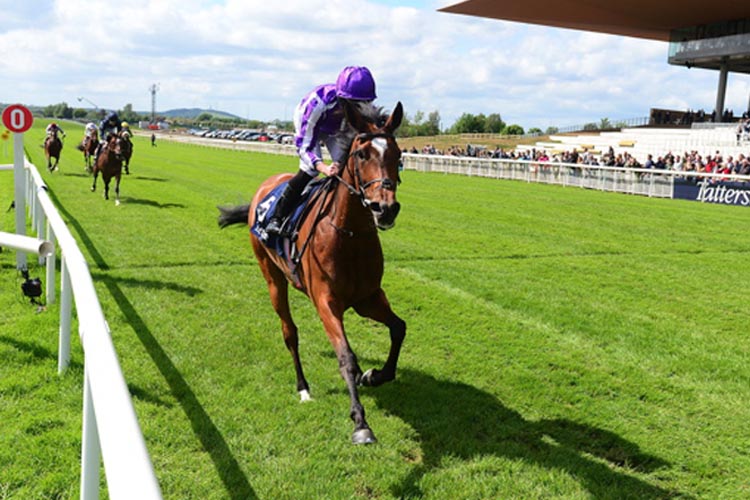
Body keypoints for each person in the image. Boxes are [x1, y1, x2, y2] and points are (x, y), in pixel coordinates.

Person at [265, 66, 378, 236]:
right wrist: (323, 168)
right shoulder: (316, 104)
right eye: (356, 105)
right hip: (312, 125)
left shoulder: (359, 105)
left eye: (364, 104)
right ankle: (277, 218)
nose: (360, 109)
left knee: (346, 167)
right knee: (309, 169)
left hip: (335, 131)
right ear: (343, 99)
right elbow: (305, 147)